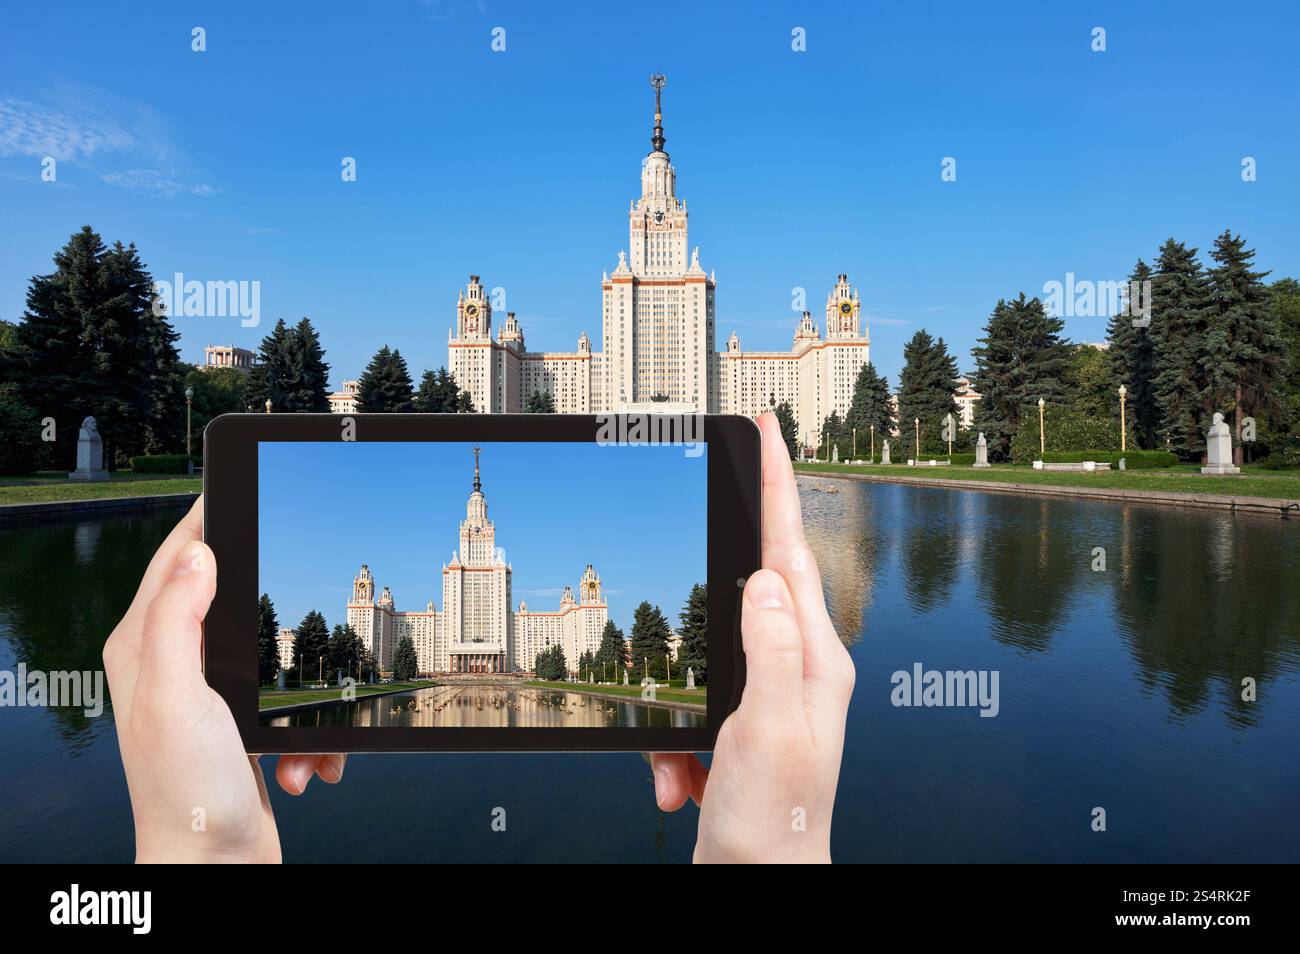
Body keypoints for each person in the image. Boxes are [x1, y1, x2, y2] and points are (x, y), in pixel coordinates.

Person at [104, 412, 854, 863]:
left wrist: (201, 850)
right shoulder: (457, 563)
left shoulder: (502, 567)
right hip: (453, 637)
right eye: (472, 529)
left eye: (481, 529)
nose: (477, 532)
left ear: (489, 533)